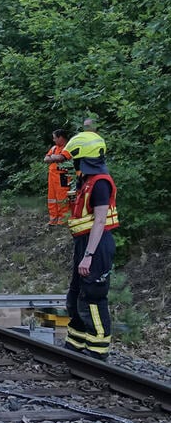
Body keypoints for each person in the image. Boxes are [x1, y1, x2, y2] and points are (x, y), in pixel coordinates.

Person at [62, 131, 117, 361]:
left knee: (92, 296)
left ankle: (97, 350)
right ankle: (76, 342)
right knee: (75, 294)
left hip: (97, 244)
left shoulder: (100, 184)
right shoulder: (86, 181)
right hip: (84, 243)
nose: (76, 165)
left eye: (77, 161)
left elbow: (101, 221)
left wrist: (89, 255)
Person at [43, 130, 72, 226]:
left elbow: (61, 158)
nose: (53, 140)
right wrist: (55, 157)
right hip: (52, 176)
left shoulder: (68, 147)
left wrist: (53, 157)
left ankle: (63, 220)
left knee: (62, 198)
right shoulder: (55, 148)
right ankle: (53, 219)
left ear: (61, 138)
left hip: (63, 176)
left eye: (55, 137)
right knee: (52, 198)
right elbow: (46, 159)